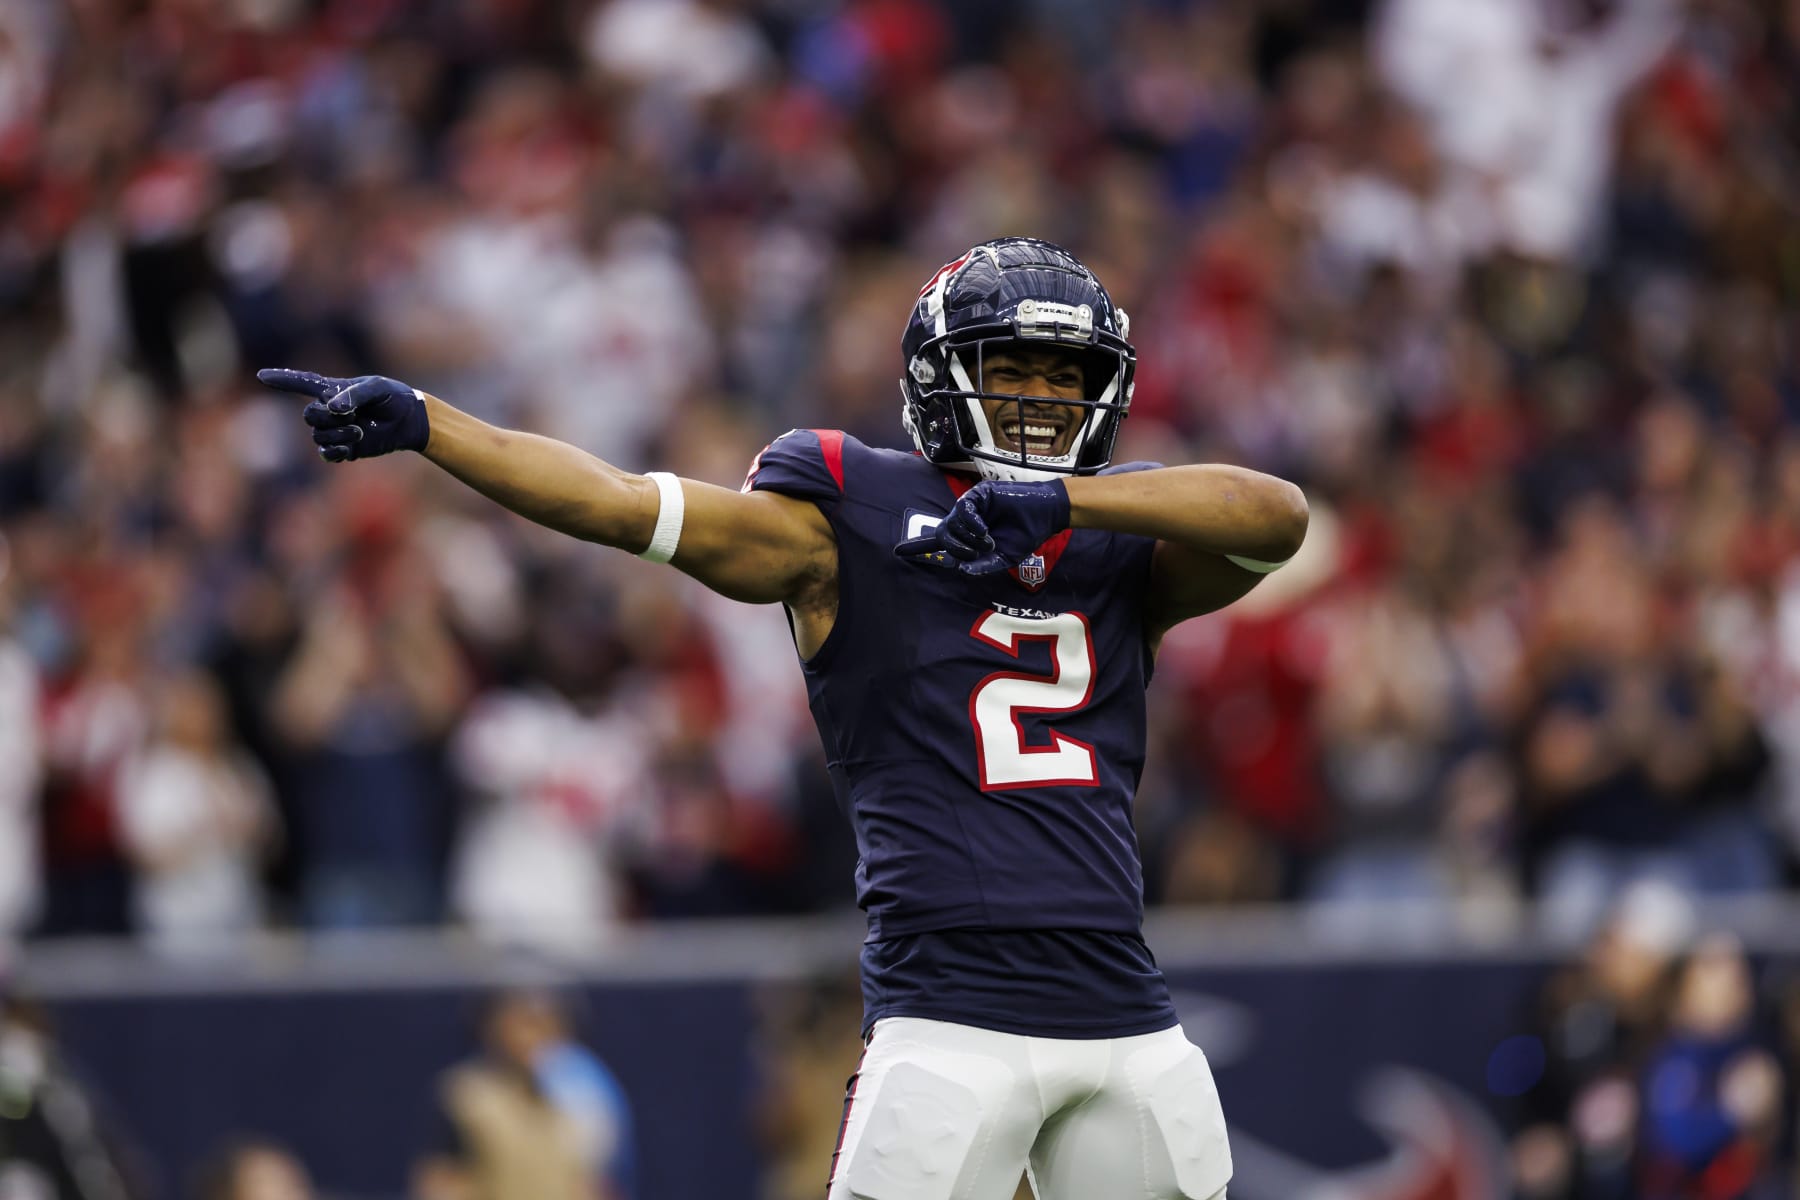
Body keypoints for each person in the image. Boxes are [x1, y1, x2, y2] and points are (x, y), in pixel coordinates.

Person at [261, 236, 1308, 1199]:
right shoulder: (850, 513)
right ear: (947, 379)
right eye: (1012, 370)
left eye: (1063, 376)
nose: (1041, 400)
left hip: (1124, 1007)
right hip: (950, 1013)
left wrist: (1074, 505)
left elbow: (1278, 516)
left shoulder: (1122, 533)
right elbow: (624, 503)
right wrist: (437, 425)